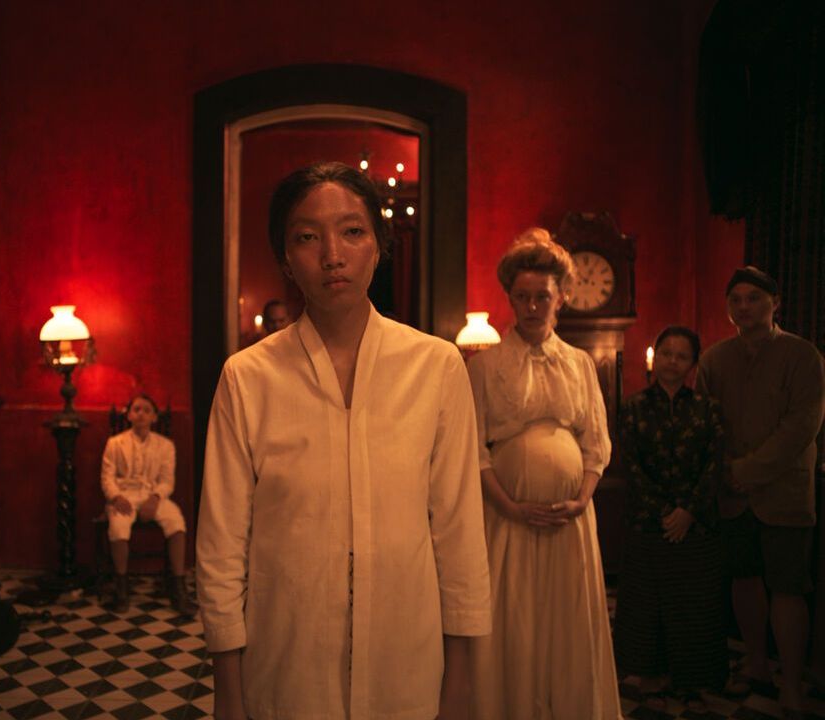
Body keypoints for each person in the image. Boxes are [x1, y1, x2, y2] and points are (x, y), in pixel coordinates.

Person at [197, 161, 491, 720]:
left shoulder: (435, 367)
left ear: (379, 246)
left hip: (406, 664)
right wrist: (228, 689)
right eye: (308, 237)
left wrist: (460, 679)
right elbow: (221, 543)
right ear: (286, 259)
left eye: (352, 231)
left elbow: (458, 533)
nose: (333, 255)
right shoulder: (248, 377)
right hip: (287, 667)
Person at [467, 228, 621, 719]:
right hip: (507, 519)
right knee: (513, 619)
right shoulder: (485, 366)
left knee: (566, 619)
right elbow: (472, 449)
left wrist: (582, 498)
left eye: (543, 296)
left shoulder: (580, 364)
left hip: (568, 521)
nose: (532, 306)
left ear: (562, 297)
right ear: (510, 298)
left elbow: (596, 443)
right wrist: (509, 506)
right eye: (523, 296)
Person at [696, 266, 825, 718]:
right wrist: (724, 473)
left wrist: (746, 470)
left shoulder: (803, 356)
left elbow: (802, 426)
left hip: (785, 494)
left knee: (788, 587)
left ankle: (790, 683)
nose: (744, 306)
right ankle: (756, 664)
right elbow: (705, 424)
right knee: (744, 579)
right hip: (732, 496)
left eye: (753, 298)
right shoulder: (714, 359)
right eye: (736, 299)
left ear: (775, 302)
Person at [613, 326, 727, 713]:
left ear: (693, 364)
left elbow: (714, 464)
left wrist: (688, 511)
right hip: (648, 524)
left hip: (696, 525)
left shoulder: (708, 409)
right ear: (655, 356)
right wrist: (666, 513)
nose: (672, 361)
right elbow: (631, 465)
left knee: (694, 605)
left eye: (681, 356)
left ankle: (693, 682)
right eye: (666, 353)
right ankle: (650, 680)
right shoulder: (632, 407)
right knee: (648, 606)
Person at [101, 393, 197, 616]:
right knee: (118, 528)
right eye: (136, 409)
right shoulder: (114, 443)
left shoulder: (166, 445)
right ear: (129, 415)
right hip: (124, 496)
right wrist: (116, 497)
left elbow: (167, 481)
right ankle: (121, 588)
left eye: (146, 410)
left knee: (176, 522)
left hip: (153, 495)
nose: (141, 414)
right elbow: (107, 477)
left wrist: (154, 499)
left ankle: (179, 589)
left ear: (154, 417)